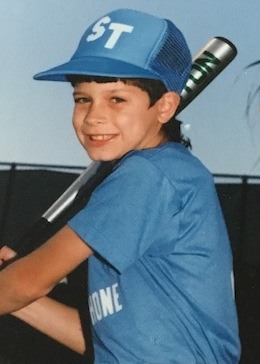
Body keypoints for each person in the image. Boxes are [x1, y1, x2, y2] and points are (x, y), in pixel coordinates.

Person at [0, 8, 240, 363]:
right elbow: (106, 344)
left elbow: (27, 284)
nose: (94, 116)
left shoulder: (148, 175)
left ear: (165, 107)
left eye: (117, 99)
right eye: (83, 98)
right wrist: (15, 294)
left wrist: (15, 285)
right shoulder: (158, 174)